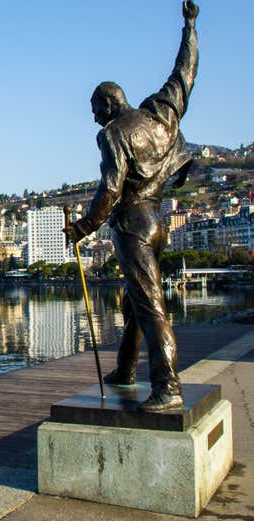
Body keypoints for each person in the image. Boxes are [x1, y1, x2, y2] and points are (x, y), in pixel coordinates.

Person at [63, 1, 199, 412]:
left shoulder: (113, 134)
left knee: (150, 305)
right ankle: (125, 369)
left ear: (107, 105)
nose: (93, 120)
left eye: (94, 112)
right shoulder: (160, 114)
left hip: (134, 225)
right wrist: (189, 27)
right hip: (158, 221)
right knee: (131, 303)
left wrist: (83, 228)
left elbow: (110, 188)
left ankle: (168, 387)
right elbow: (185, 71)